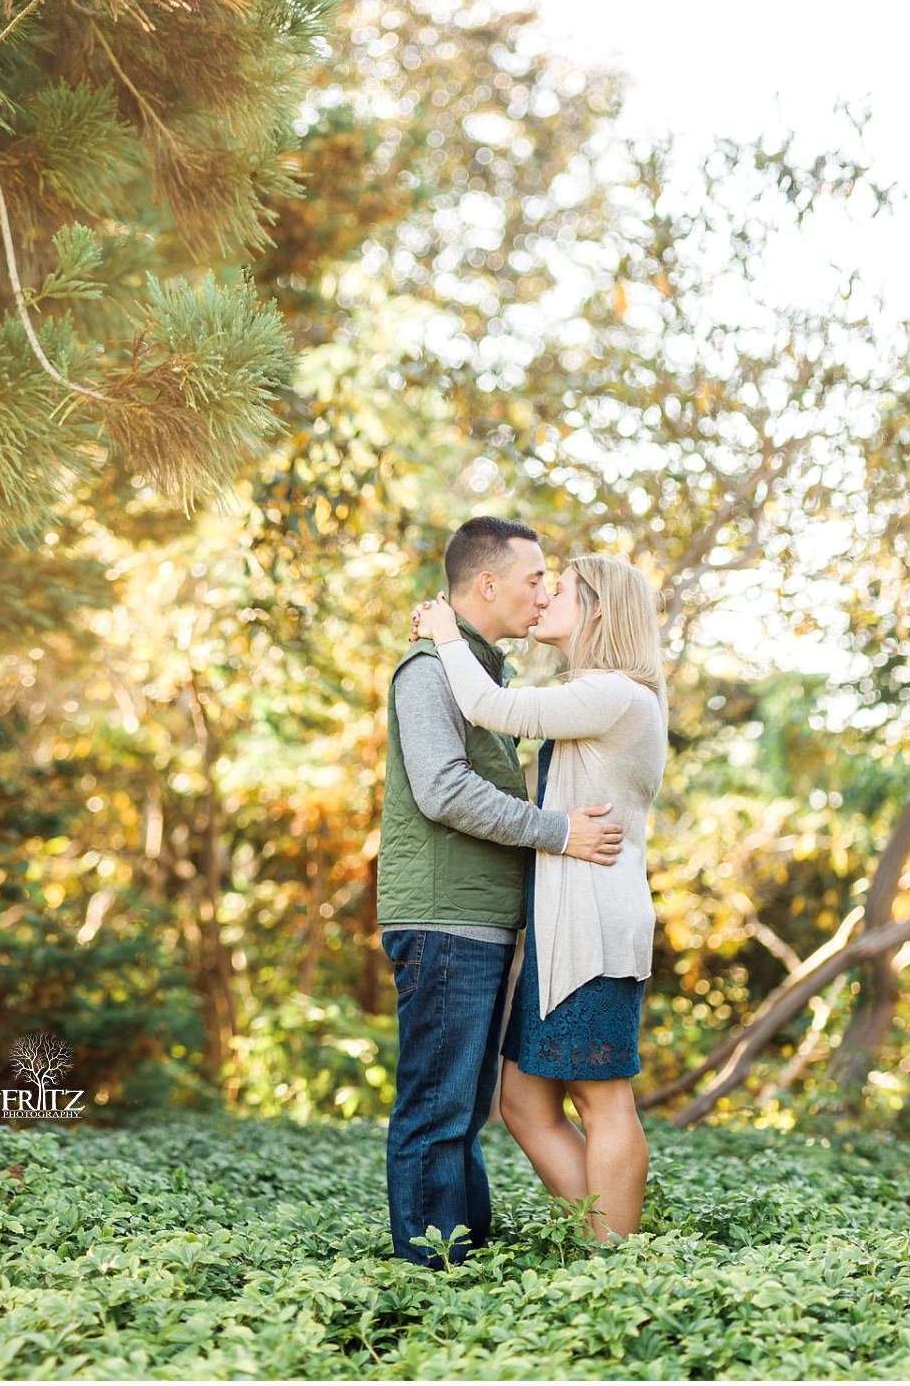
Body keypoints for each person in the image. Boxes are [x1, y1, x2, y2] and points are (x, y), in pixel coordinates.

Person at [376, 516, 625, 1269]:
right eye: (533, 578)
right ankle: (431, 1275)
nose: (543, 591)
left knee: (461, 1110)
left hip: (479, 919)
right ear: (487, 584)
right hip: (444, 915)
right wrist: (559, 831)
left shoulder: (479, 676)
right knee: (437, 1108)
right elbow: (444, 790)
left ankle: (464, 1257)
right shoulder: (426, 672)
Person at [414, 552, 668, 1243]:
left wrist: (444, 630)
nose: (546, 595)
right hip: (563, 933)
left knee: (603, 1097)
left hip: (594, 930)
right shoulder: (600, 692)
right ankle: (599, 1237)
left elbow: (491, 706)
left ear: (597, 610)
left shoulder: (614, 691)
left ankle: (612, 1259)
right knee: (524, 1100)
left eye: (562, 589)